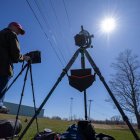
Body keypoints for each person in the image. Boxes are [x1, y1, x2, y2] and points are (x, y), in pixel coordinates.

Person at [0, 22, 30, 112]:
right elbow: (15, 56)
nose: (18, 33)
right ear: (12, 27)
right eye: (18, 30)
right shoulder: (11, 34)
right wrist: (24, 57)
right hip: (3, 69)